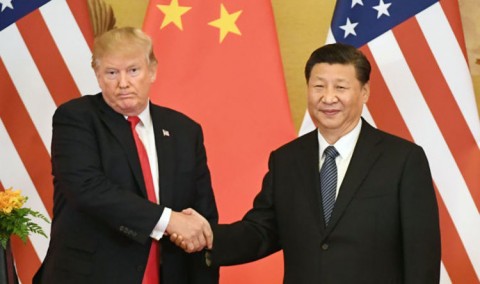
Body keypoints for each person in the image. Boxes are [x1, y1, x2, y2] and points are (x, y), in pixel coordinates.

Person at [176, 43, 441, 283]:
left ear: (364, 92)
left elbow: (421, 255)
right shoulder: (286, 160)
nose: (328, 98)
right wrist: (206, 235)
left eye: (340, 87)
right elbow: (262, 231)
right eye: (318, 86)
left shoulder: (403, 159)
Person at [33, 27, 218, 284]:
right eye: (111, 73)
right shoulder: (76, 118)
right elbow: (87, 189)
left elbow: (202, 215)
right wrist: (168, 221)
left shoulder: (185, 130)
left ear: (152, 70)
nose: (123, 83)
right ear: (98, 75)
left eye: (133, 70)